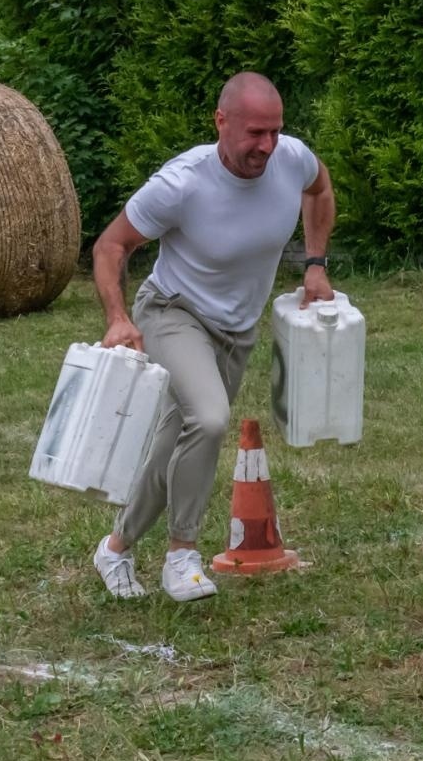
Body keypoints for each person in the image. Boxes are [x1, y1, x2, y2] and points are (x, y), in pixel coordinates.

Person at [88, 71, 336, 602]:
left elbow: (321, 188)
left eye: (274, 131)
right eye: (254, 133)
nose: (266, 146)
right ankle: (182, 555)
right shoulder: (182, 183)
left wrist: (315, 264)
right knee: (210, 418)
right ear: (221, 122)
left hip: (236, 331)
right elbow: (110, 246)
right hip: (173, 313)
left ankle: (115, 547)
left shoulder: (291, 159)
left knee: (176, 446)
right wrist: (117, 318)